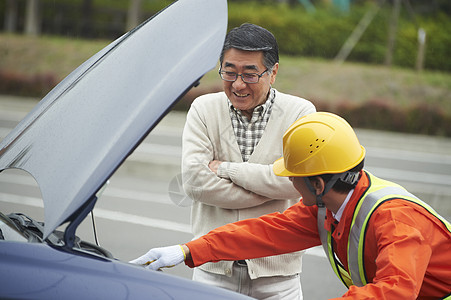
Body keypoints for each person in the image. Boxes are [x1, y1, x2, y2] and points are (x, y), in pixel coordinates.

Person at [131, 112, 451, 299]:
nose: (291, 183)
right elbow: (262, 233)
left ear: (319, 184)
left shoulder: (396, 220)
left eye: (295, 176)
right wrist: (188, 250)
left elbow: (395, 292)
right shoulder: (327, 208)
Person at [133, 23, 315, 299]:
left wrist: (228, 169)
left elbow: (299, 184)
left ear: (273, 72)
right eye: (229, 72)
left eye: (250, 74)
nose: (238, 84)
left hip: (279, 277)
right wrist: (268, 186)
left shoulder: (299, 113)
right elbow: (195, 183)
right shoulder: (204, 109)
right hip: (212, 272)